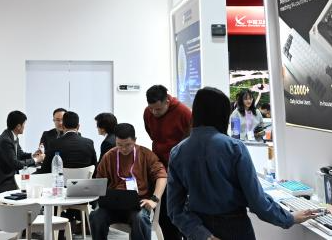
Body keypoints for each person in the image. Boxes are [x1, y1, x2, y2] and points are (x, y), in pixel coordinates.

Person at [166, 87, 320, 240]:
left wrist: (202, 235)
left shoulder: (178, 152)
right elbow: (257, 201)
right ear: (223, 114)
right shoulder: (234, 148)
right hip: (235, 229)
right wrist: (288, 218)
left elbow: (174, 209)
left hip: (198, 228)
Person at [90, 123, 166, 240]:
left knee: (139, 218)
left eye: (128, 145)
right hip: (113, 205)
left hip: (138, 204)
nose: (123, 149)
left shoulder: (145, 154)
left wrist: (154, 199)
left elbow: (162, 176)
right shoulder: (109, 156)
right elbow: (99, 181)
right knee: (96, 216)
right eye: (119, 145)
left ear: (135, 140)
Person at [143, 85, 192, 240]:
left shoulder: (184, 112)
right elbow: (151, 134)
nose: (154, 112)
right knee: (164, 212)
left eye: (158, 109)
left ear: (167, 102)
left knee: (183, 210)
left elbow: (192, 139)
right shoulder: (147, 112)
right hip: (160, 166)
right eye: (151, 108)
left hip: (181, 167)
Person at [0, 110, 44, 194]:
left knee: (28, 184)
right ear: (18, 126)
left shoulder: (12, 136)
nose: (24, 127)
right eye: (24, 124)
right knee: (27, 188)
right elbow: (15, 164)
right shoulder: (5, 140)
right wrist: (36, 160)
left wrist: (33, 155)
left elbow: (20, 154)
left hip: (5, 180)